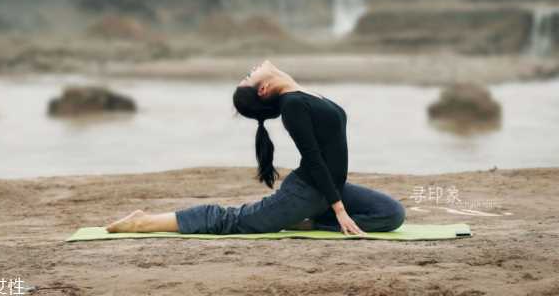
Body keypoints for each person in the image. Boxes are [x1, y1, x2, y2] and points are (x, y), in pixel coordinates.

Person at [105, 60, 405, 236]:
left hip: (329, 188)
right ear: (264, 89)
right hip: (309, 190)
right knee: (234, 220)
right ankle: (144, 221)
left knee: (391, 214)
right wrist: (339, 209)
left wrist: (331, 204)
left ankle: (307, 222)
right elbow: (314, 158)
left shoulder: (300, 95)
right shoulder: (293, 106)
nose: (255, 68)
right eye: (250, 76)